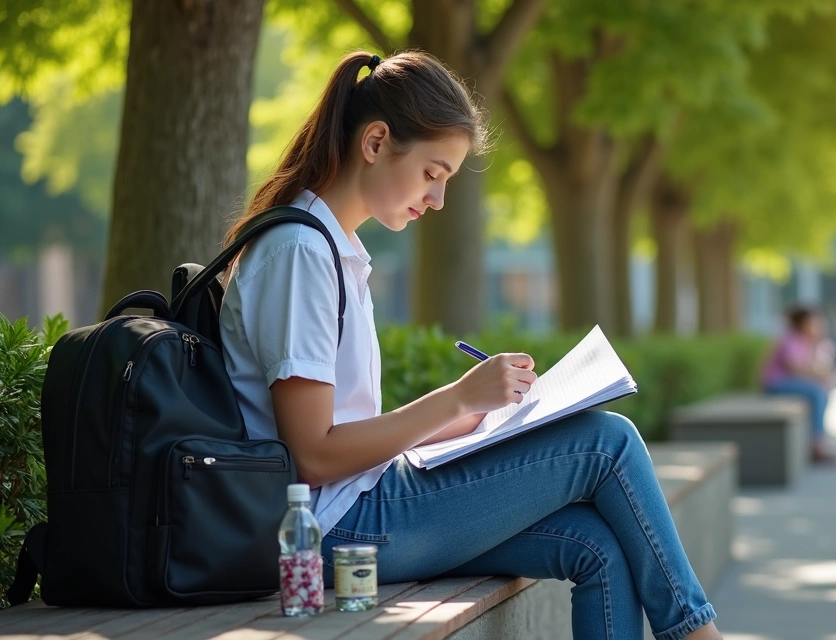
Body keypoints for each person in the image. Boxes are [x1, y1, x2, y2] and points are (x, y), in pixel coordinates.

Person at [218, 51, 720, 640]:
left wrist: (479, 417)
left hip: (360, 504)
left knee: (597, 546)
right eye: (432, 173)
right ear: (375, 142)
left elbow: (345, 432)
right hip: (333, 528)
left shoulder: (331, 248)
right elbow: (314, 456)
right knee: (609, 442)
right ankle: (697, 634)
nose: (437, 199)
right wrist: (457, 399)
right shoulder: (301, 253)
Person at [761, 306, 836, 465]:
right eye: (814, 322)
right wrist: (821, 376)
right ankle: (818, 446)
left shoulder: (805, 341)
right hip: (776, 383)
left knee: (820, 392)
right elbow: (795, 368)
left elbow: (812, 366)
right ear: (803, 323)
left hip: (789, 382)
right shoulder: (790, 339)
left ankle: (817, 440)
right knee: (817, 392)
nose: (817, 325)